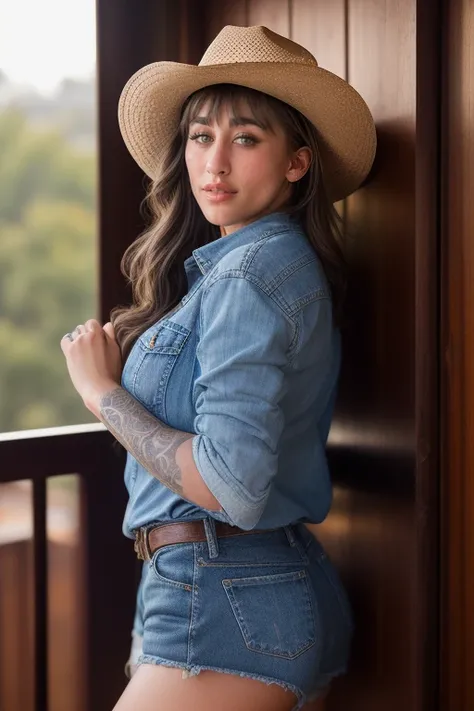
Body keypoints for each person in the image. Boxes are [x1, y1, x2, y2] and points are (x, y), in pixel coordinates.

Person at [60, 24, 376, 711]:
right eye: (201, 136)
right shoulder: (253, 268)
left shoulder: (249, 277)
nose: (215, 163)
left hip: (224, 594)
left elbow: (233, 485)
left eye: (246, 138)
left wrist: (101, 393)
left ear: (297, 161)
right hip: (227, 586)